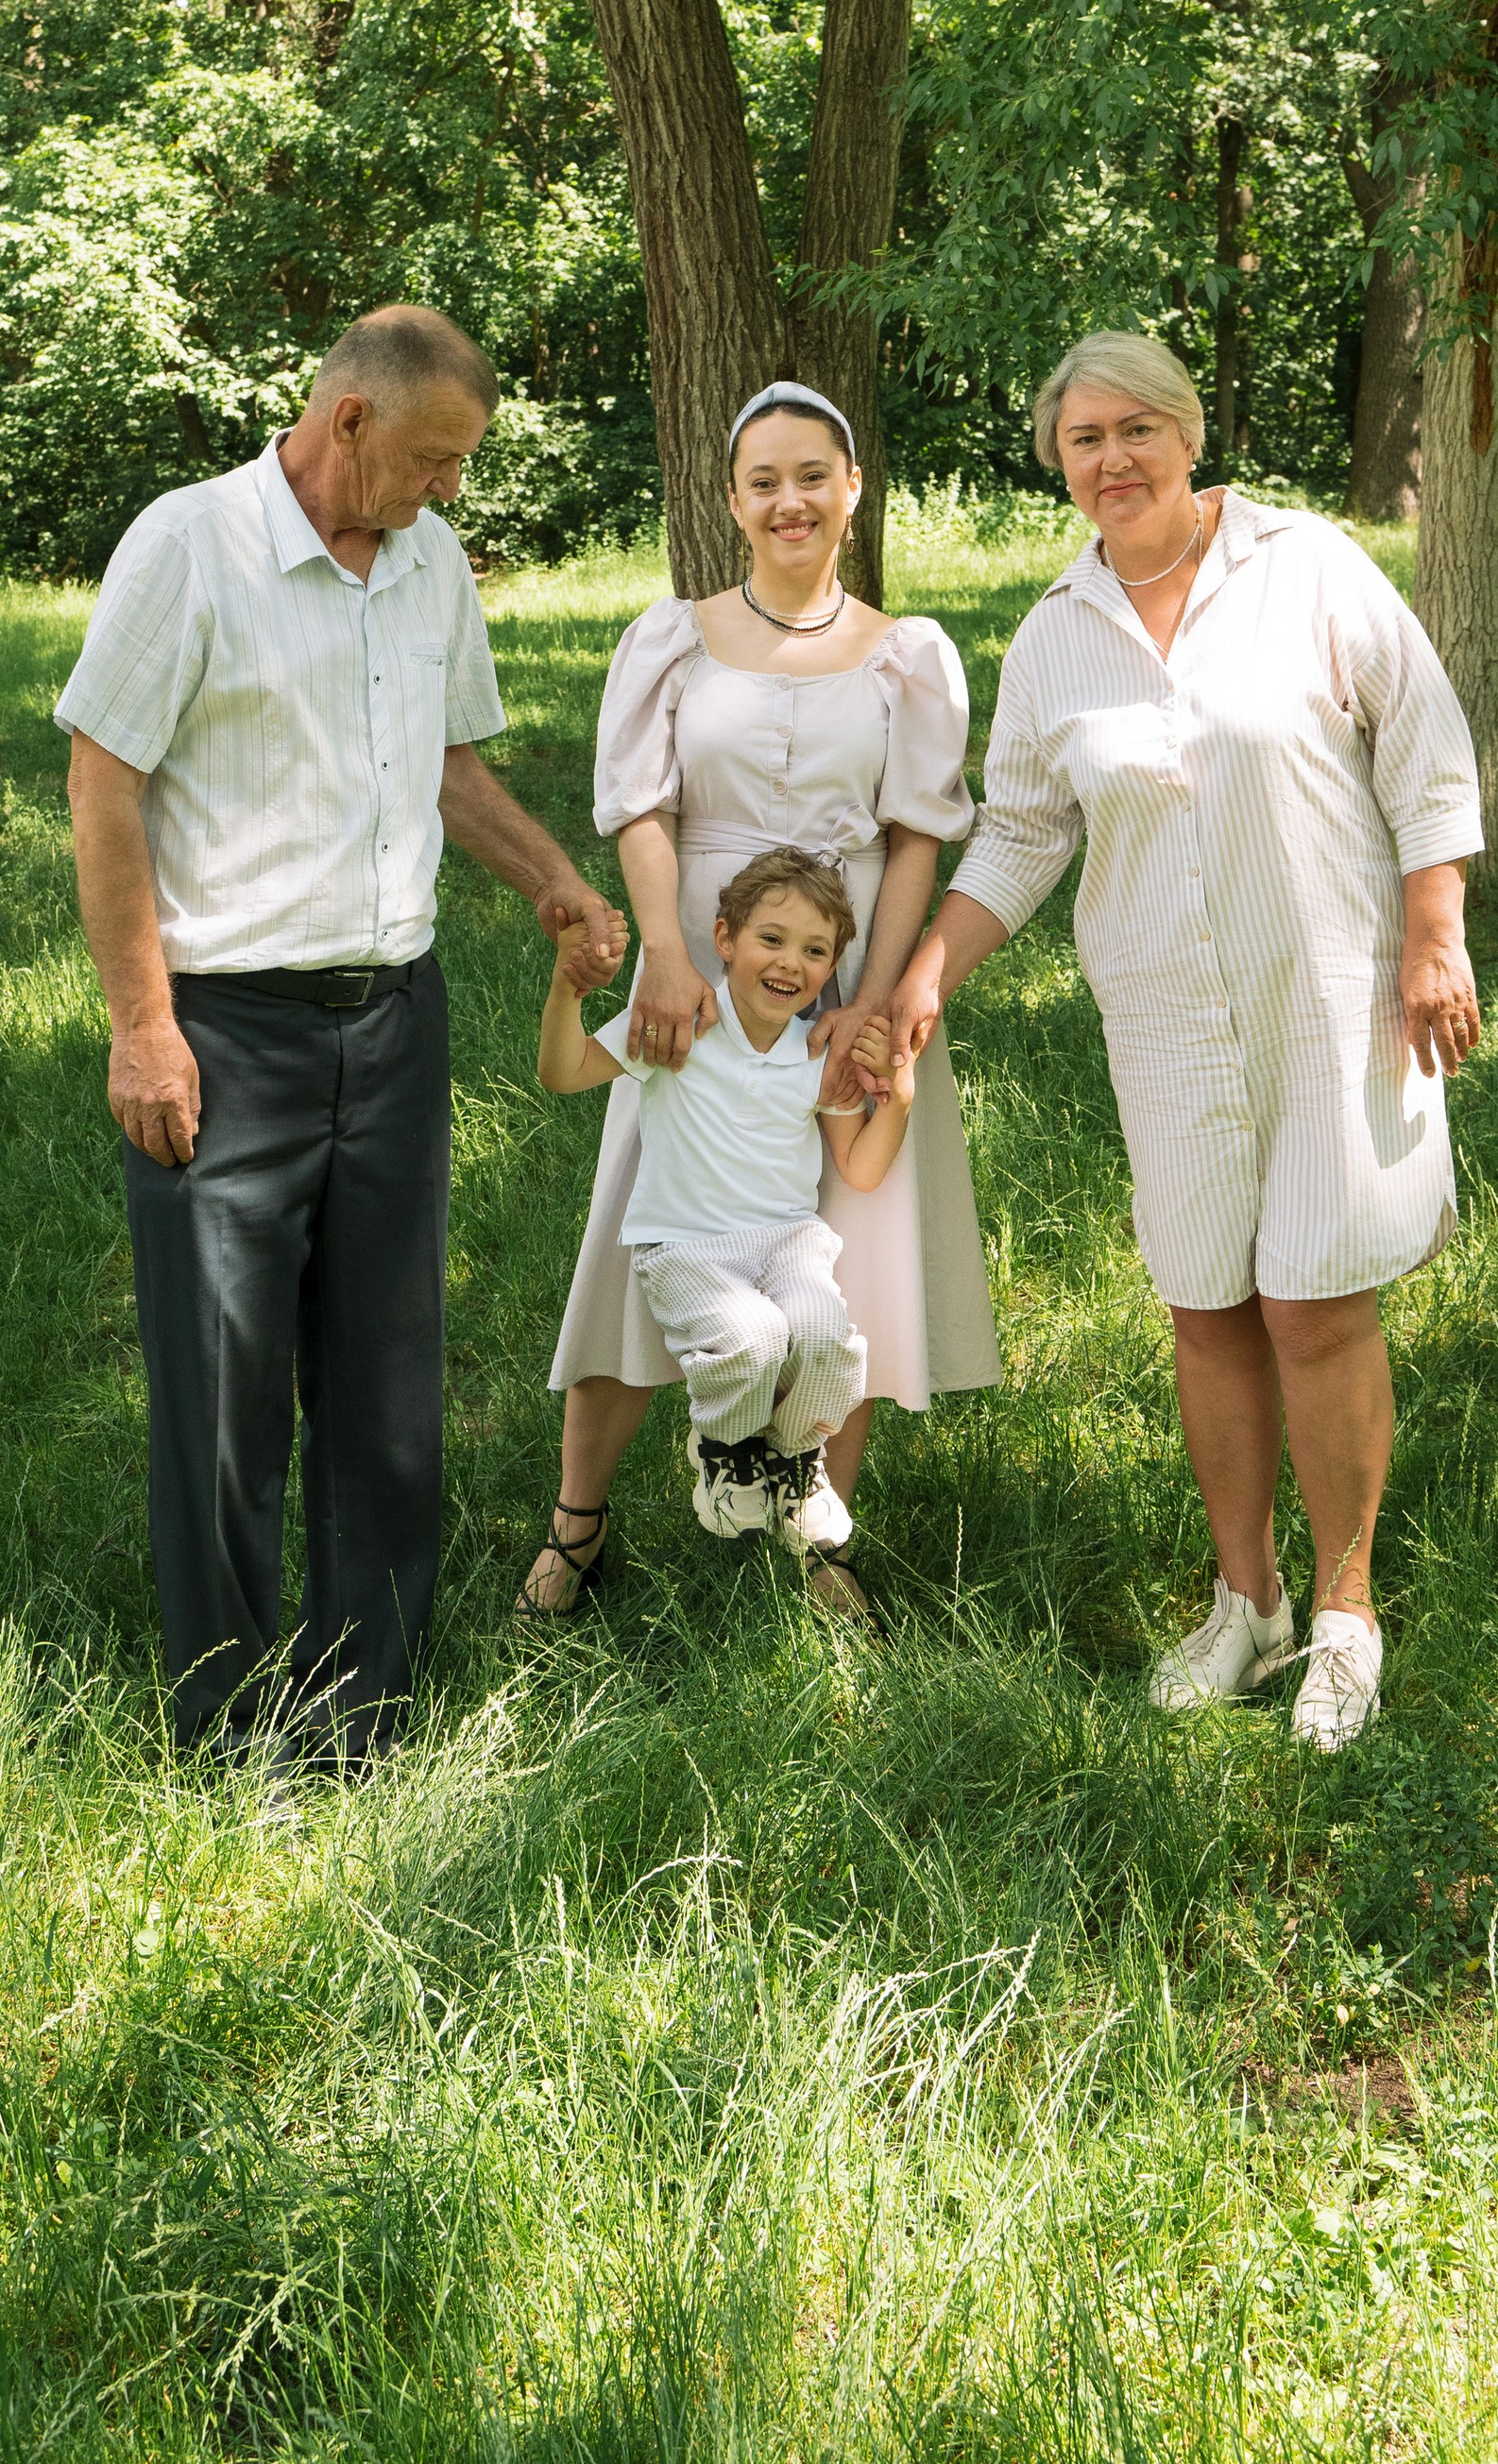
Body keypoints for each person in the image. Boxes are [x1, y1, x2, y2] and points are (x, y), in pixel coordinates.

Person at [884, 330, 1485, 1751]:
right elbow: (1023, 832)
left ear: (1189, 433)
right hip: (1162, 1015)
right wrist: (924, 976)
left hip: (1326, 995)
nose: (1113, 460)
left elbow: (1423, 744)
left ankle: (1347, 1614)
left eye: (1136, 429)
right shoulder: (1054, 634)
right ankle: (1249, 1604)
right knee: (1208, 1305)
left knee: (1317, 1303)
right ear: (1061, 464)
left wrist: (1435, 933)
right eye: (1084, 440)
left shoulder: (1309, 567)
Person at [56, 306, 624, 1778]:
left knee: (384, 1385)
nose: (450, 490)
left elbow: (448, 763)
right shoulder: (191, 547)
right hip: (226, 1029)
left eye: (463, 466)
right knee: (225, 1391)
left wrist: (552, 878)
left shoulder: (429, 562)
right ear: (350, 422)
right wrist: (143, 1030)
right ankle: (228, 1728)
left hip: (393, 1021)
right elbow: (104, 786)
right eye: (434, 459)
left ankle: (360, 1717)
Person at [523, 382, 999, 1627]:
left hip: (844, 968)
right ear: (731, 501)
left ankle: (811, 1528)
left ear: (853, 490)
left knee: (846, 1247)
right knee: (645, 1222)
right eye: (763, 480)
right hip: (703, 964)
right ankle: (579, 1519)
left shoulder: (908, 657)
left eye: (812, 475)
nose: (789, 500)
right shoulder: (672, 639)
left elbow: (911, 840)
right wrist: (668, 960)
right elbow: (641, 807)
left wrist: (877, 1000)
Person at [536, 846, 914, 1570]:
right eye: (771, 939)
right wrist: (566, 994)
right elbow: (562, 1073)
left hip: (787, 1244)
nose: (789, 963)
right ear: (725, 940)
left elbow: (861, 1168)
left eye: (814, 951)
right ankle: (725, 1449)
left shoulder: (816, 1053)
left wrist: (897, 1096)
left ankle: (797, 1464)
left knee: (824, 1335)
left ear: (831, 968)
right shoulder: (680, 1027)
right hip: (686, 1246)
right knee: (755, 1339)